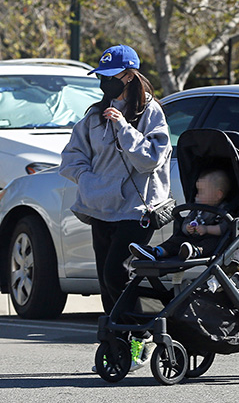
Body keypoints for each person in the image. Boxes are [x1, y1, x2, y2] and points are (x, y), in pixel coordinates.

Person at [59, 44, 171, 370]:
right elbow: (71, 156)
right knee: (106, 281)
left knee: (116, 273)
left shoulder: (150, 112)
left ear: (129, 75)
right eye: (101, 77)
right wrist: (88, 179)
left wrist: (124, 127)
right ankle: (116, 346)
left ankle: (141, 339)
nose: (105, 83)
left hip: (138, 208)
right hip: (99, 207)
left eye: (112, 76)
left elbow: (151, 159)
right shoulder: (95, 114)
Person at [129, 169, 232, 261]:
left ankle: (194, 251)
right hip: (189, 240)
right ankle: (156, 251)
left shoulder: (223, 210)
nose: (197, 195)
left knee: (212, 243)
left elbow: (223, 228)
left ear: (218, 195)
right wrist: (187, 228)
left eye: (202, 192)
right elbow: (186, 221)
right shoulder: (197, 209)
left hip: (208, 241)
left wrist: (206, 229)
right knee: (175, 240)